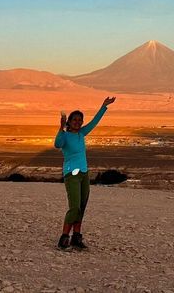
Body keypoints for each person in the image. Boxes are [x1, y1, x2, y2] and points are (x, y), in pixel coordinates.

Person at [54, 96, 116, 250]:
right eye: (74, 119)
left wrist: (103, 106)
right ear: (69, 121)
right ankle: (63, 238)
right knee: (74, 207)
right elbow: (57, 144)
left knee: (81, 206)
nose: (78, 122)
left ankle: (76, 237)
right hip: (72, 175)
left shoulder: (82, 133)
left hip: (84, 174)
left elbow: (95, 122)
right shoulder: (65, 136)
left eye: (80, 120)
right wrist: (61, 128)